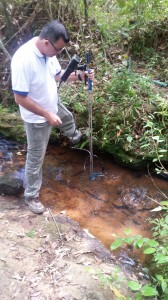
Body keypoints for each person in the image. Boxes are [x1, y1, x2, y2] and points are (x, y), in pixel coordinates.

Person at [11, 20, 94, 214]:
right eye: (58, 50)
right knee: (36, 157)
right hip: (37, 118)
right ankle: (31, 196)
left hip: (51, 104)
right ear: (47, 42)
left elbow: (59, 76)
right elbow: (20, 98)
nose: (58, 54)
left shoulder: (48, 53)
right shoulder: (23, 59)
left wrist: (81, 75)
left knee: (68, 118)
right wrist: (47, 114)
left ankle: (76, 139)